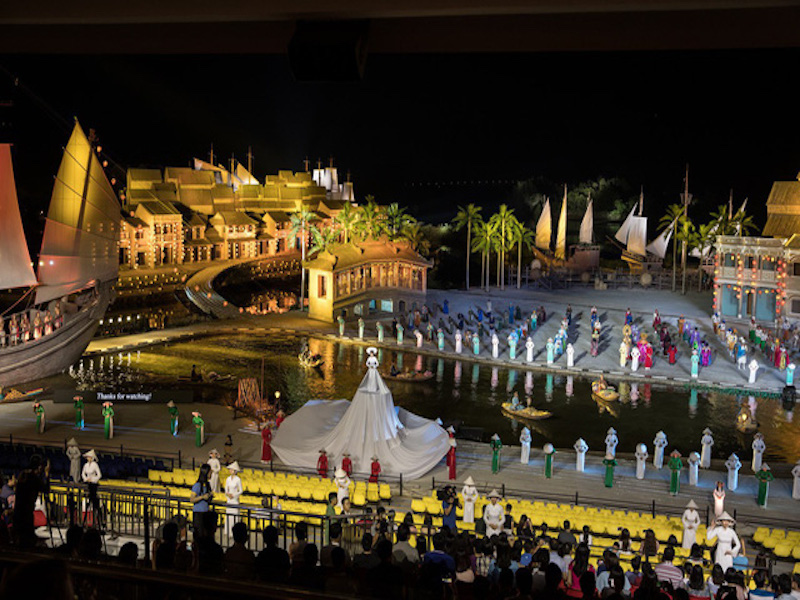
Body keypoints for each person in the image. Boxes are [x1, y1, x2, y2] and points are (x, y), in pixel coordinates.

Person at [190, 464, 214, 540]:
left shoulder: (207, 485)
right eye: (210, 472)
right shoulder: (197, 485)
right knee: (199, 535)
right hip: (198, 513)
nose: (211, 474)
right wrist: (202, 497)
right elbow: (192, 499)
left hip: (206, 513)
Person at [81, 449, 102, 529]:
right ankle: (86, 522)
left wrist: (93, 479)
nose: (88, 458)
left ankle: (98, 522)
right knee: (87, 503)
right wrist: (86, 479)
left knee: (95, 504)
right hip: (88, 484)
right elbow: (83, 473)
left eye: (89, 457)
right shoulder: (86, 465)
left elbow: (99, 475)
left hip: (93, 485)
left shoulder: (95, 465)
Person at [224, 461, 243, 537]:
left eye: (231, 469)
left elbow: (240, 490)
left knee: (234, 516)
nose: (230, 471)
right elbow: (226, 488)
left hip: (234, 500)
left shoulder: (238, 479)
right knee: (229, 515)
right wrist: (228, 494)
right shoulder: (228, 479)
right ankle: (228, 531)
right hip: (229, 500)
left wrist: (234, 495)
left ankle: (234, 533)